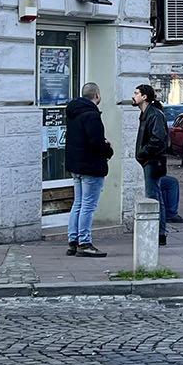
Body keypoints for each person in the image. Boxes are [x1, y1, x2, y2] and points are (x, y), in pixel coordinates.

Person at [63, 82, 113, 257]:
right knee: (88, 205)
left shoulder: (73, 112)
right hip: (90, 166)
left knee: (78, 203)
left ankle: (73, 240)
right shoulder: (91, 115)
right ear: (97, 95)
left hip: (76, 164)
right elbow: (95, 142)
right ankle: (84, 242)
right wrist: (108, 149)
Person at [132, 83, 171, 245]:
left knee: (154, 197)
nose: (133, 96)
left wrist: (143, 153)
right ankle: (159, 232)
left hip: (153, 161)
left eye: (136, 93)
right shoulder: (147, 114)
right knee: (155, 196)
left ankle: (159, 233)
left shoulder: (154, 115)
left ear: (144, 97)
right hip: (149, 160)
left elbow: (158, 139)